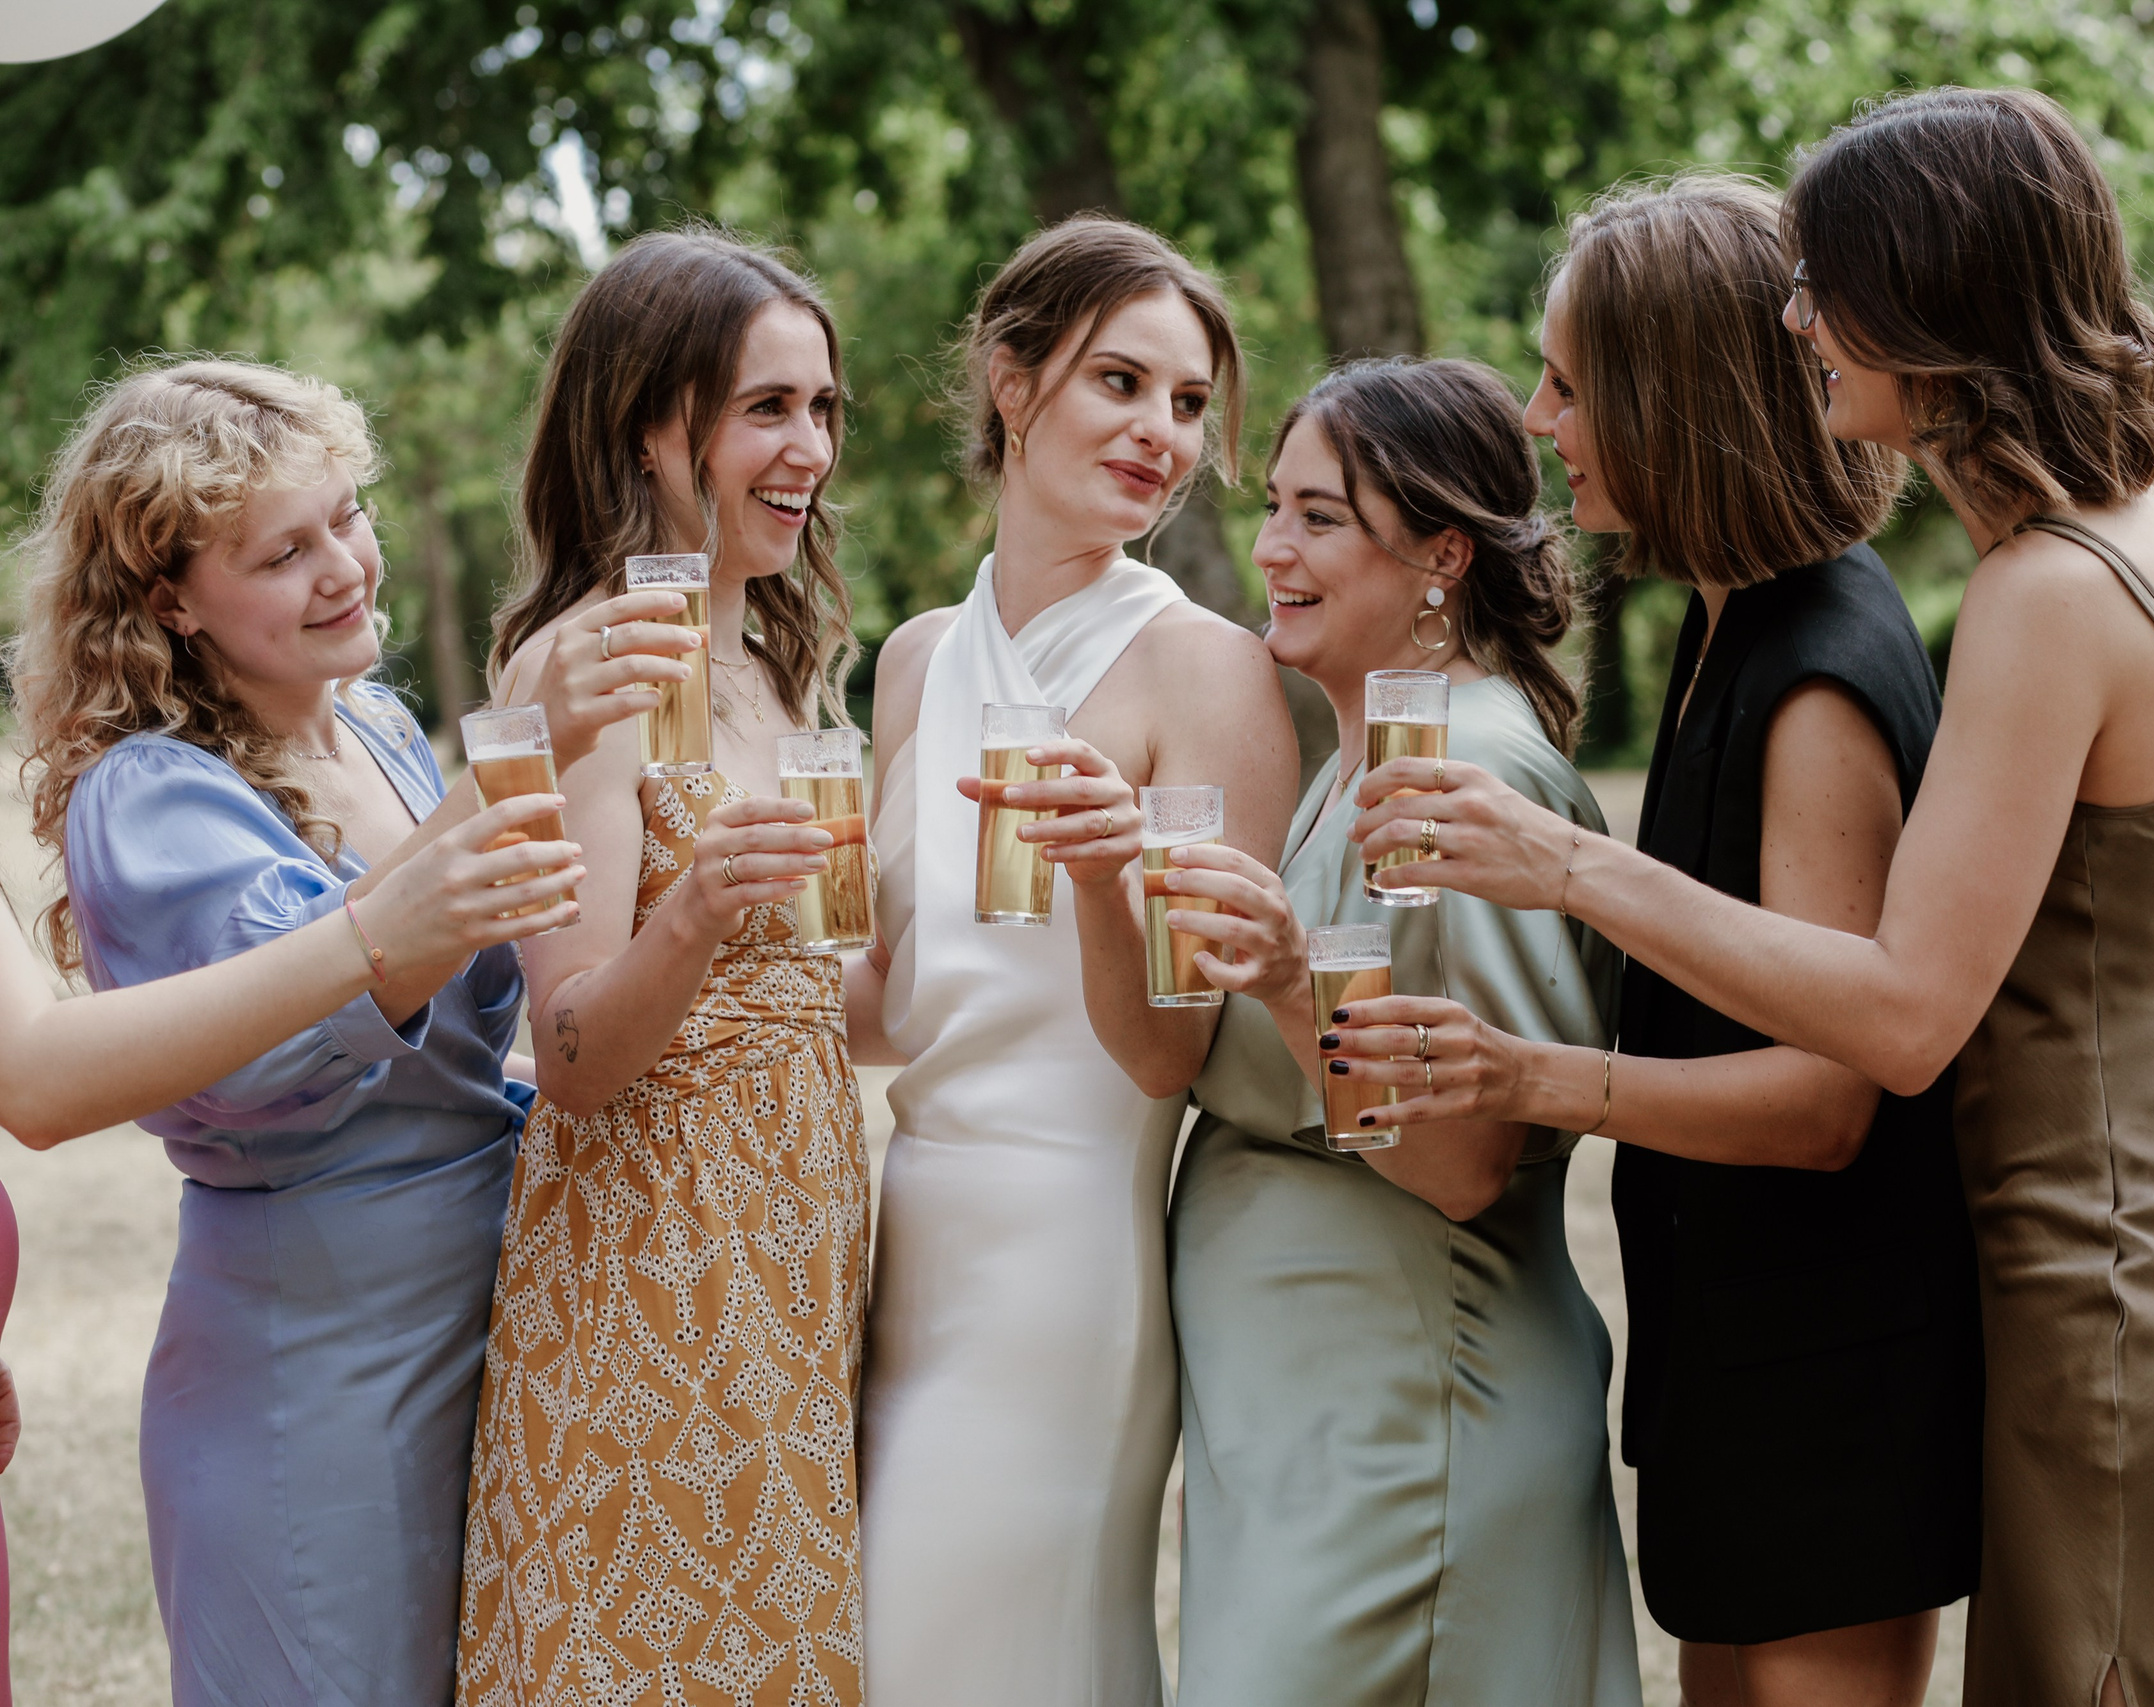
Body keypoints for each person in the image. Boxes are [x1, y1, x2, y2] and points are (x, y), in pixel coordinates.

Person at [1349, 89, 2154, 1707]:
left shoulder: (2047, 590)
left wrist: (1567, 868)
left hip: (2131, 1283)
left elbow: (1898, 1020)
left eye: (1824, 281)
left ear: (1930, 291)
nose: (1793, 315)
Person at [1311, 180, 1985, 1707]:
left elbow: (1826, 1106)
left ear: (1677, 394)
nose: (1540, 420)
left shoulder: (1816, 674)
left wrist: (1524, 1073)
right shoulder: (1721, 619)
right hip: (1729, 1349)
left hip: (1829, 1369)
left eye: (1569, 382)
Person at [10, 356, 694, 1706]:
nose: (344, 568)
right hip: (313, 1360)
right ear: (171, 600)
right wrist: (528, 743)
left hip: (483, 1318)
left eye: (350, 516)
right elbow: (306, 1005)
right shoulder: (150, 794)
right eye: (283, 553)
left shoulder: (380, 728)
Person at [854, 215, 1296, 1707]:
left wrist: (1111, 875)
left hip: (1065, 1260)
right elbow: (888, 999)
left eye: (1188, 405)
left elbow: (1173, 1052)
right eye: (1122, 383)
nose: (1162, 436)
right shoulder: (916, 657)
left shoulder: (1210, 671)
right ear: (1011, 379)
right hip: (906, 1234)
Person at [1151, 356, 1638, 1706]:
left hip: (1412, 1418)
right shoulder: (1350, 762)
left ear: (1440, 555)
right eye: (1277, 510)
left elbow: (1467, 1158)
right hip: (1315, 1430)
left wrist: (1288, 982)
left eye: (1320, 518)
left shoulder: (1464, 769)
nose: (1272, 549)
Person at [457, 230, 872, 1703]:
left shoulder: (781, 659)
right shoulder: (586, 667)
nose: (808, 446)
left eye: (823, 409)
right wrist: (693, 910)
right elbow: (566, 1056)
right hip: (651, 1250)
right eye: (768, 407)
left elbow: (838, 998)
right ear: (653, 423)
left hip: (798, 1234)